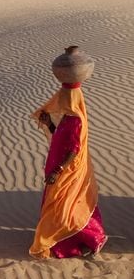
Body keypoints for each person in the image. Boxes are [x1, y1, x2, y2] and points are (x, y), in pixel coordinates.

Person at [30, 82, 107, 259]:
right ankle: (59, 238)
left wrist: (58, 170)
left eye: (63, 98)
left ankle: (76, 241)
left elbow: (74, 149)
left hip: (68, 173)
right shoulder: (67, 117)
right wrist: (49, 124)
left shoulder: (76, 120)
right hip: (58, 168)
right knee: (59, 205)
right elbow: (60, 136)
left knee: (68, 207)